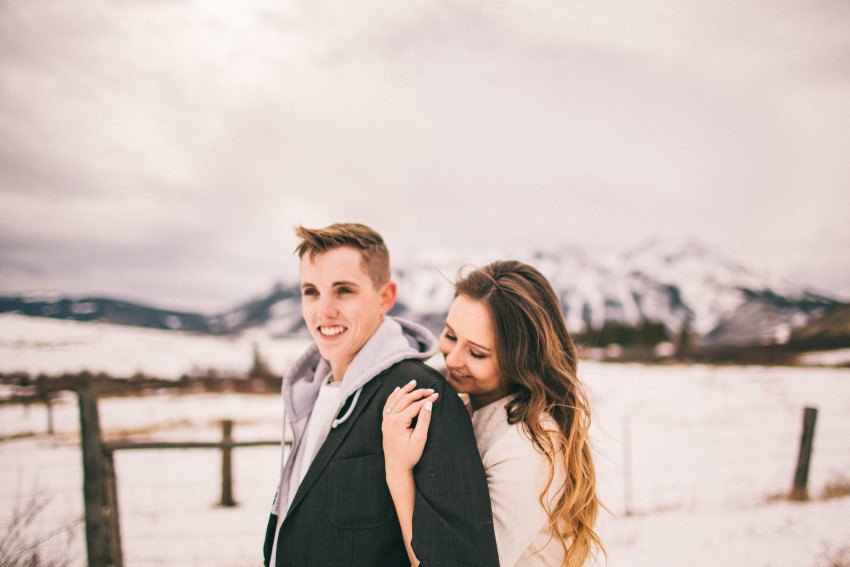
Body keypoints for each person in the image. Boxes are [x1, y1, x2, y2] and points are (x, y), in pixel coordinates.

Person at [263, 223, 499, 567]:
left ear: (385, 297)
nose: (323, 310)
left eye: (344, 290)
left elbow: (460, 560)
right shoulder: (313, 393)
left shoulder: (421, 397)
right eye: (311, 291)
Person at [383, 260, 604, 567]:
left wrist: (397, 467)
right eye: (450, 334)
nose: (453, 358)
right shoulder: (469, 404)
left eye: (477, 352)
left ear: (520, 359)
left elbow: (465, 562)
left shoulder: (530, 444)